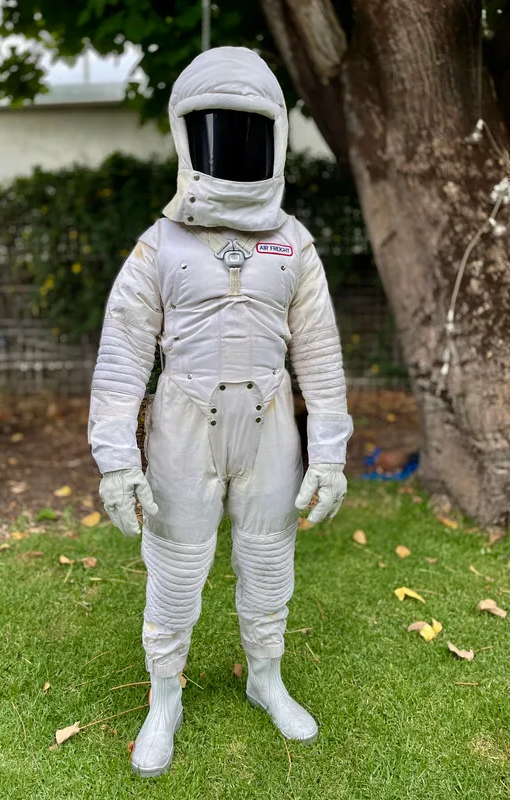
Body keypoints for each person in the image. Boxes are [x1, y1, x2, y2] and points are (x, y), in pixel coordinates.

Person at [89, 46, 352, 778]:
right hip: (182, 428)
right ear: (185, 135)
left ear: (272, 135)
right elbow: (120, 364)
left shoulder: (292, 244)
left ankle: (266, 677)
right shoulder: (159, 246)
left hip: (270, 428)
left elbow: (322, 357)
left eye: (244, 127)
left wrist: (329, 450)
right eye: (213, 127)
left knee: (268, 562)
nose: (229, 143)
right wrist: (116, 462)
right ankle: (164, 696)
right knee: (174, 567)